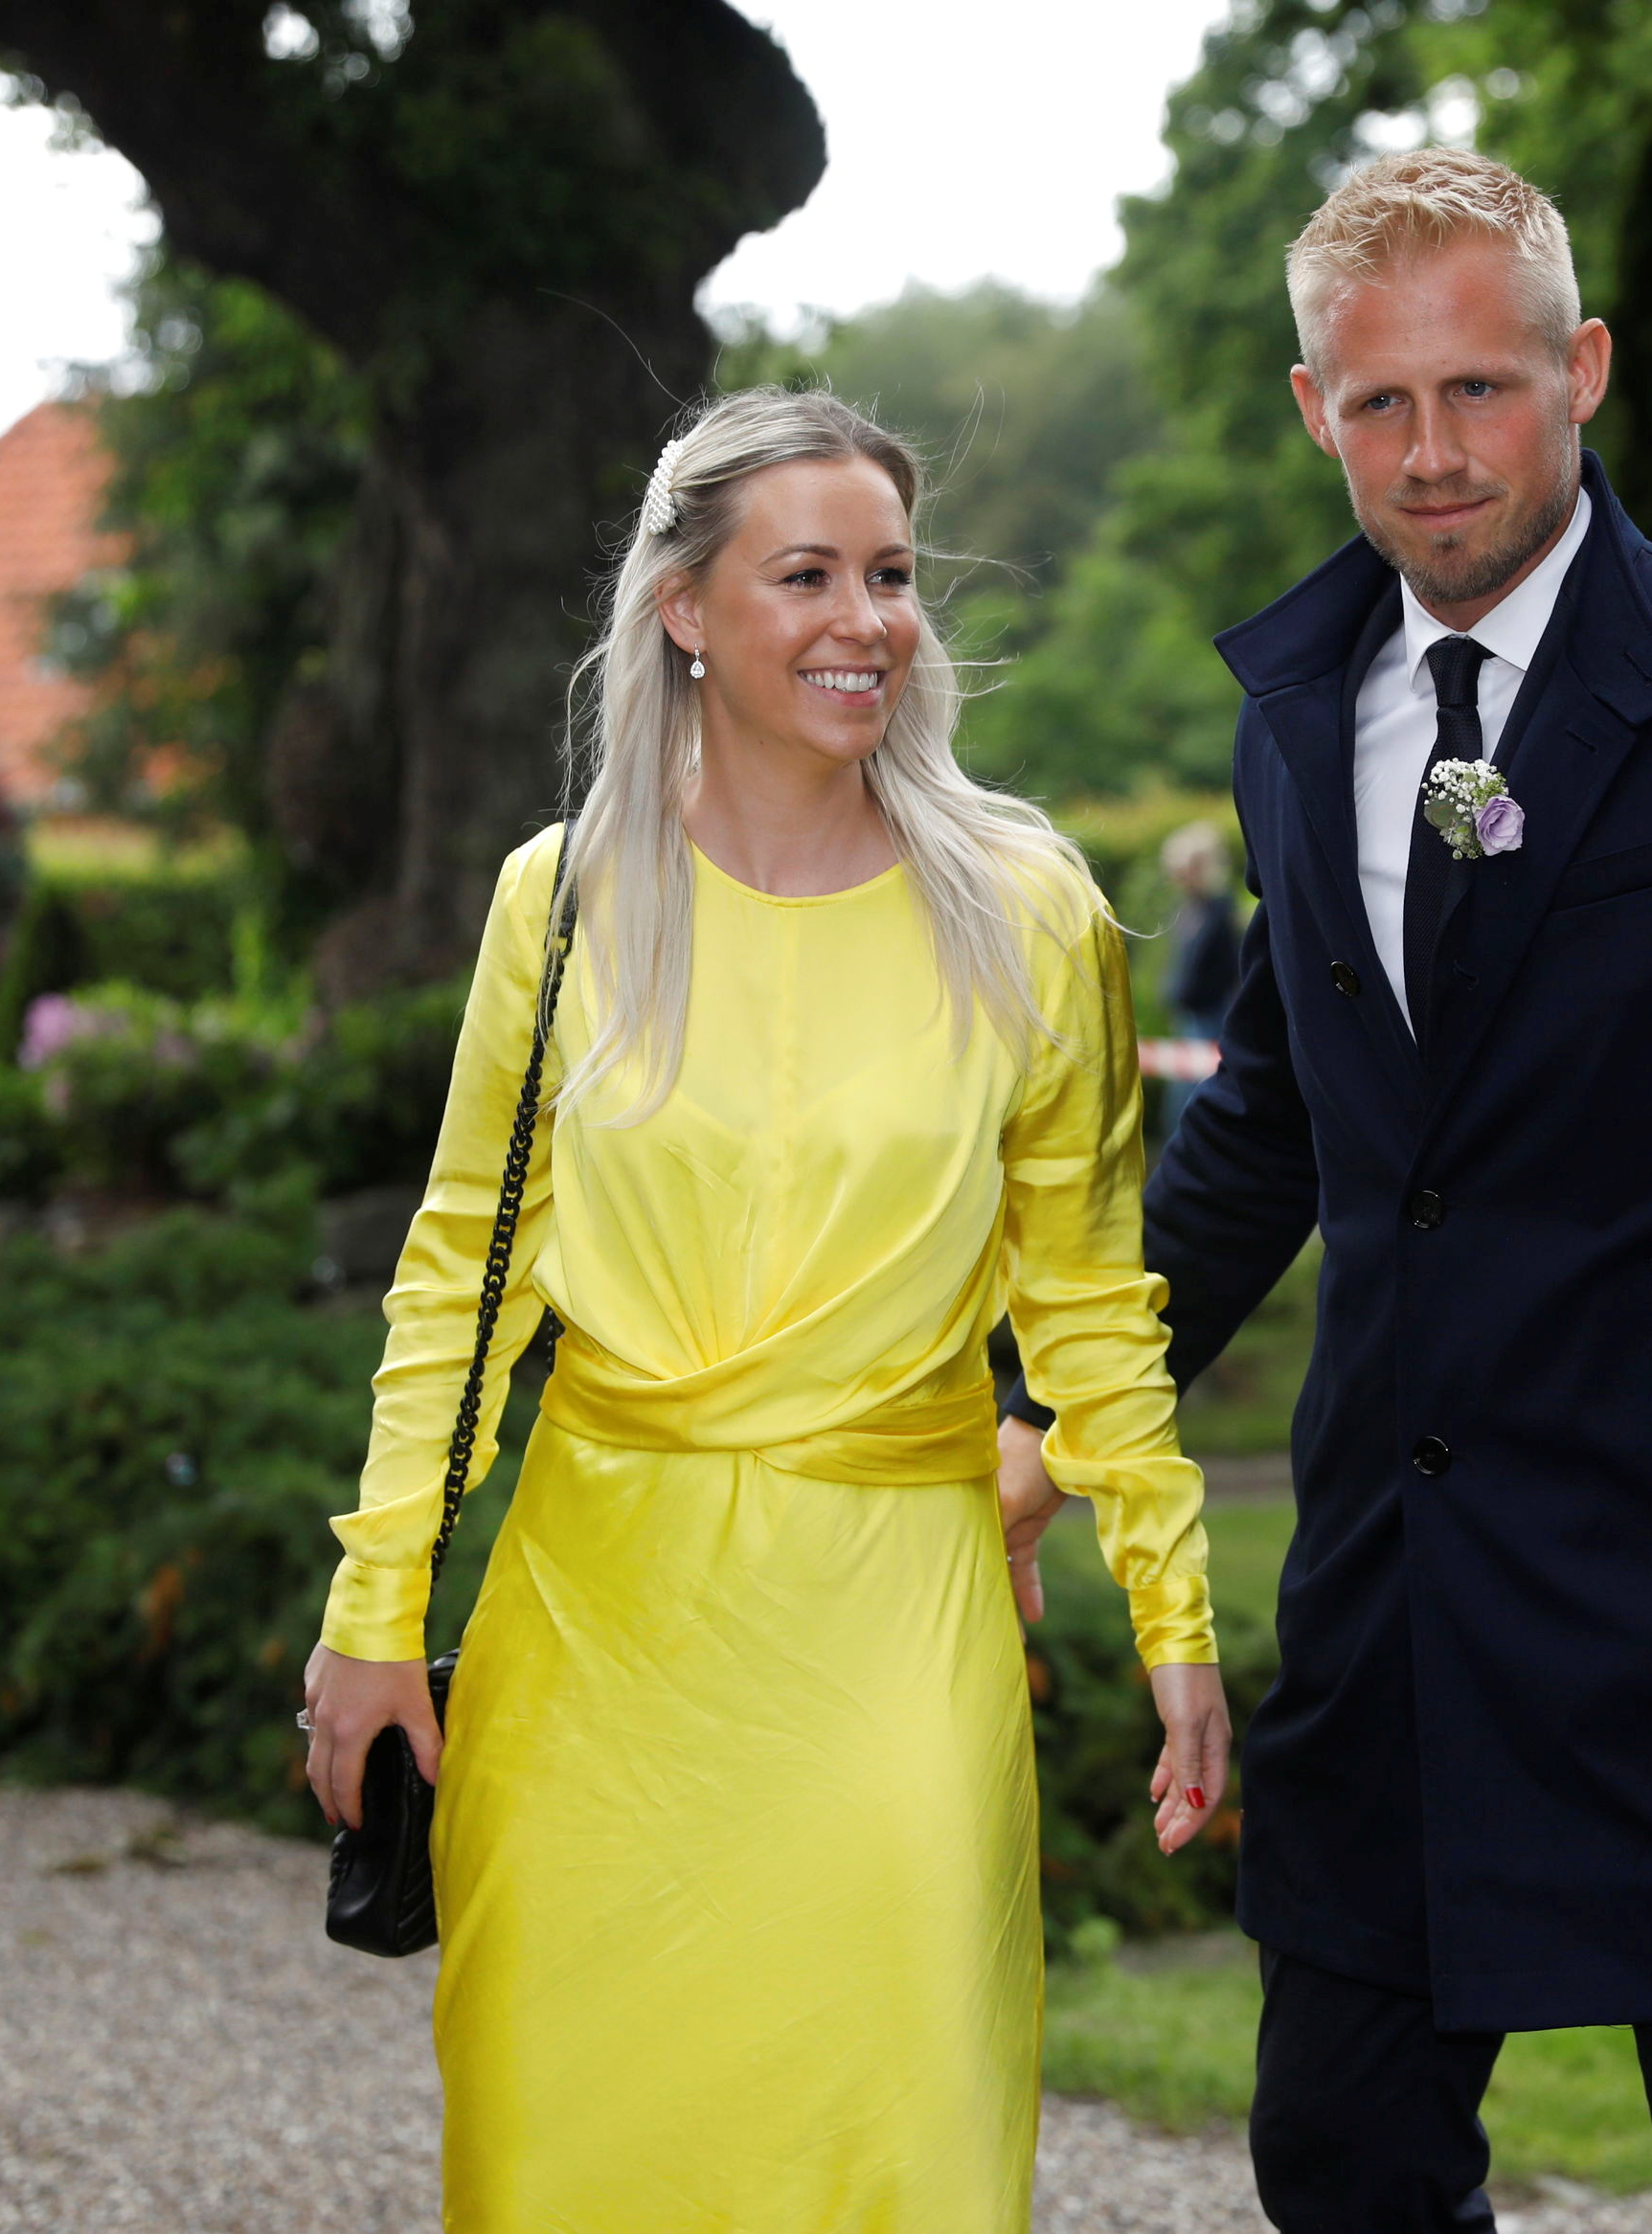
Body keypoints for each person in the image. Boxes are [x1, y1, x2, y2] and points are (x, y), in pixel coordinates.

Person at [997, 151, 1652, 2232]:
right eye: (1380, 403)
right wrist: (1047, 1400)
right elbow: (1279, 1127)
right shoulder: (1295, 719)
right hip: (1397, 1609)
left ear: (1581, 371)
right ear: (1312, 408)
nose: (1432, 455)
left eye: (1481, 390)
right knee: (1337, 2155)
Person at [301, 388, 1231, 2233]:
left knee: (897, 2138)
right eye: (803, 572)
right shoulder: (557, 901)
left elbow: (1093, 1296)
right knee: (572, 2153)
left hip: (894, 1616)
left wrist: (1174, 1607)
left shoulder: (1031, 907)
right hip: (593, 1628)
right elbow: (458, 1281)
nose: (865, 618)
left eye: (888, 573)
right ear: (685, 608)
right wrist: (375, 1605)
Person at [1158, 819, 1242, 1127]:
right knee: (1180, 1096)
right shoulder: (1187, 907)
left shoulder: (1219, 910)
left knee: (1197, 1095)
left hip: (1212, 1014)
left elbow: (1229, 968)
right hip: (1190, 1013)